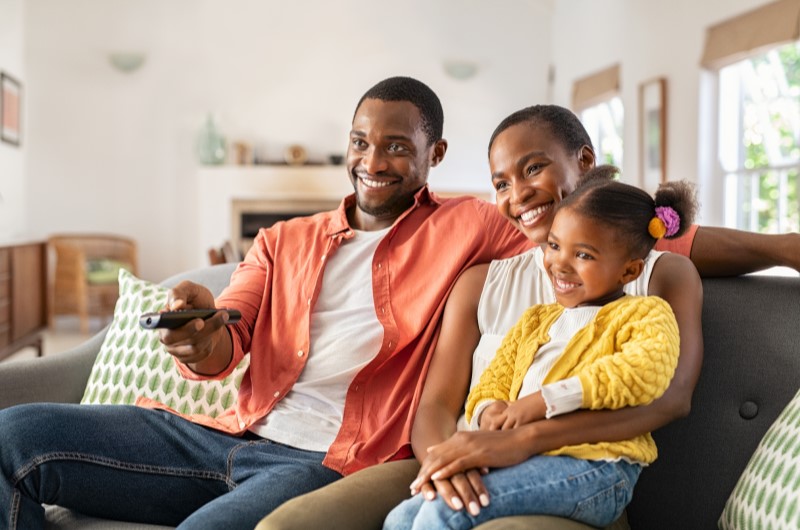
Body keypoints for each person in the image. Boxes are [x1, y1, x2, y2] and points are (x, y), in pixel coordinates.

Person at [0, 76, 533, 530]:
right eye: (360, 141)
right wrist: (197, 337)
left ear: (434, 154)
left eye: (396, 146)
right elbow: (226, 342)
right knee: (11, 437)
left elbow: (566, 252)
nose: (372, 161)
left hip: (321, 463)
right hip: (221, 436)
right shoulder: (282, 240)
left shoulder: (471, 225)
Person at [257, 104, 799, 530]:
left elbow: (671, 397)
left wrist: (518, 441)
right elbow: (438, 406)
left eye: (533, 168)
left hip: (574, 469)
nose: (517, 195)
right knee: (293, 524)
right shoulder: (481, 281)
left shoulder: (652, 276)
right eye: (499, 182)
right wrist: (449, 461)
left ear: (583, 163)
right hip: (464, 456)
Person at [383, 169, 695, 529]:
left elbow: (642, 373)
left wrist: (543, 402)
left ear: (630, 271)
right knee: (401, 517)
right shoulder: (535, 321)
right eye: (554, 245)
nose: (559, 263)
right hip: (525, 458)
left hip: (598, 469)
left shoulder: (644, 314)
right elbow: (494, 380)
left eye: (584, 255)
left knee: (446, 512)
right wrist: (489, 411)